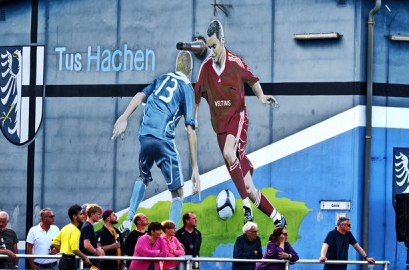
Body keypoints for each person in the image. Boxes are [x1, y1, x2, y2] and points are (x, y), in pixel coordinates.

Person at [194, 19, 285, 228]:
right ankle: (277, 218)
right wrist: (194, 118)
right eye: (208, 47)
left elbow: (252, 80)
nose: (211, 51)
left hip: (237, 117)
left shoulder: (235, 62)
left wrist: (261, 97)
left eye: (214, 46)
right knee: (249, 187)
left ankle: (245, 207)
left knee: (228, 152)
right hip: (220, 126)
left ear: (223, 41)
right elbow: (196, 96)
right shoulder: (206, 68)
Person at [112, 50, 200, 236]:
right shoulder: (187, 88)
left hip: (145, 134)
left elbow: (140, 95)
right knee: (177, 193)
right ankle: (171, 238)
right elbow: (190, 130)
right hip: (163, 138)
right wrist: (195, 169)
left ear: (176, 67)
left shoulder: (162, 78)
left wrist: (124, 117)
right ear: (190, 71)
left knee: (143, 176)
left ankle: (128, 220)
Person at [79, 204, 105, 268]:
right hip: (88, 264)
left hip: (90, 263)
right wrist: (96, 252)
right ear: (92, 214)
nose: (100, 216)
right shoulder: (87, 226)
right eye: (98, 214)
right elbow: (87, 245)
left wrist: (98, 248)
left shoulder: (88, 226)